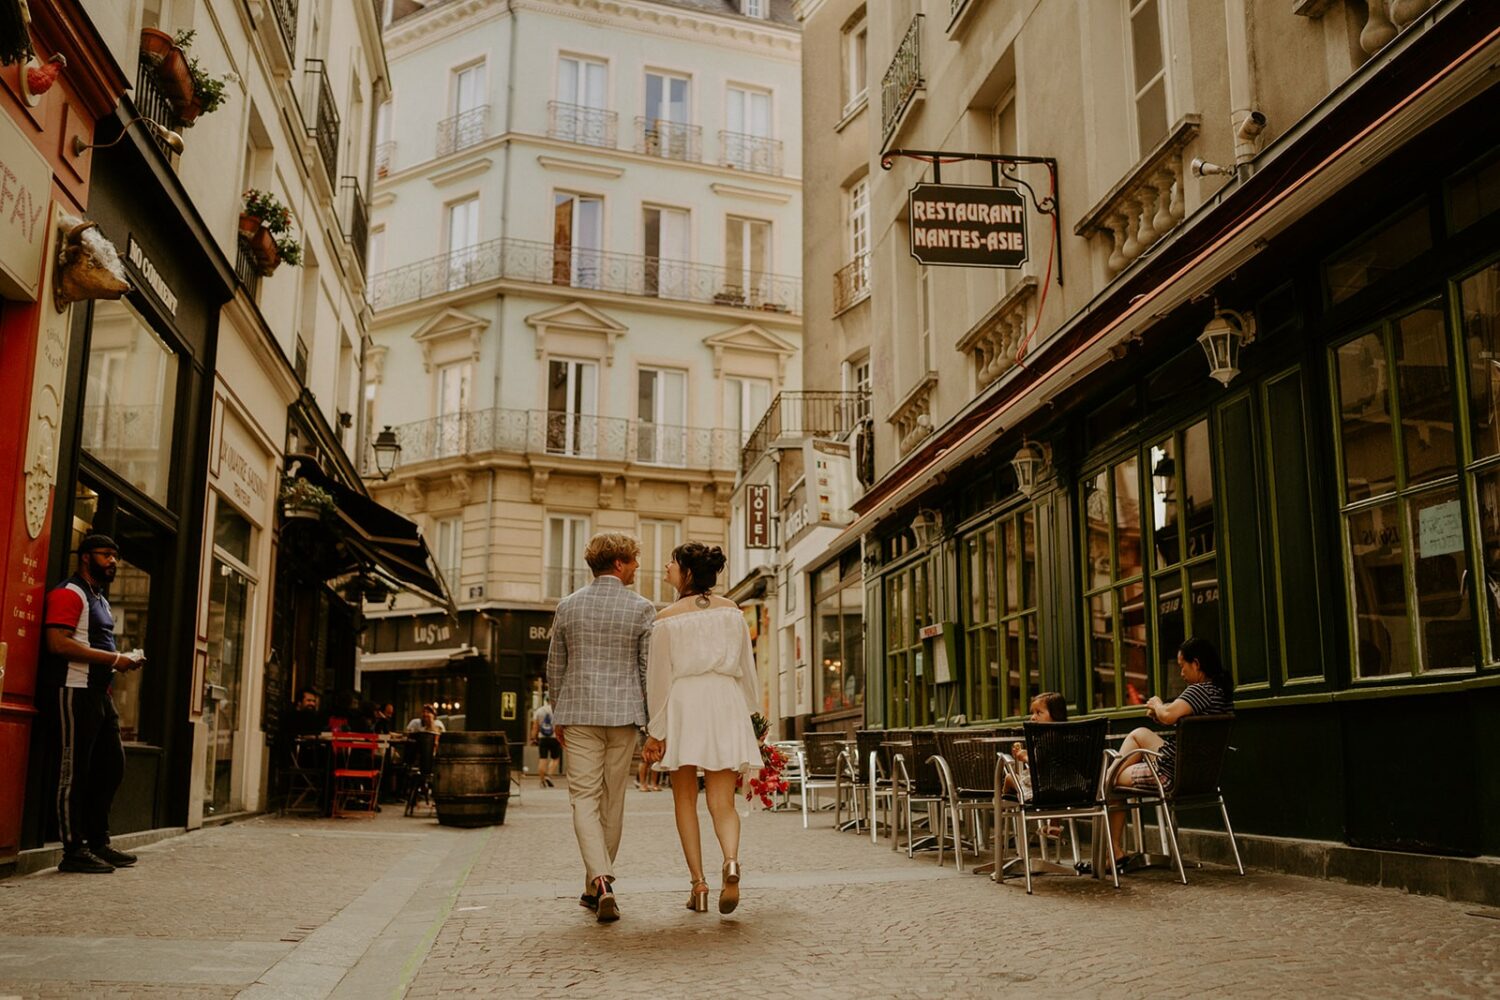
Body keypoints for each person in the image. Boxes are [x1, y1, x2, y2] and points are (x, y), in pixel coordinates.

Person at [641, 542, 761, 915]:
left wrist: (655, 730)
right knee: (722, 802)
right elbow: (747, 670)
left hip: (684, 704)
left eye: (672, 562)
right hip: (725, 702)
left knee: (684, 800)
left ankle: (699, 884)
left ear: (687, 572)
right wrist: (753, 720)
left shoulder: (666, 619)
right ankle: (731, 861)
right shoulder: (733, 613)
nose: (666, 567)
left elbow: (658, 681)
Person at [546, 532, 656, 924]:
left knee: (583, 800)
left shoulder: (567, 606)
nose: (638, 568)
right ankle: (600, 882)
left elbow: (555, 666)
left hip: (577, 714)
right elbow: (648, 671)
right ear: (620, 564)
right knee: (613, 800)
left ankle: (598, 884)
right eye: (635, 561)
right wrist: (651, 722)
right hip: (624, 716)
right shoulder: (643, 609)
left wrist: (558, 712)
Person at [43, 534, 146, 874]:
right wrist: (116, 658)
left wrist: (117, 664)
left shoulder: (98, 599)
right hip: (75, 690)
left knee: (111, 766)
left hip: (100, 695)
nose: (113, 561)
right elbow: (57, 644)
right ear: (85, 557)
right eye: (106, 555)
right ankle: (72, 850)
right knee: (74, 771)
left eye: (116, 555)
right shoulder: (69, 593)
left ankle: (98, 842)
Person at [1097, 636, 1234, 876]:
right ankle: (1105, 801)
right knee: (1139, 733)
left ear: (1197, 664)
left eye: (1183, 666)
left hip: (1168, 775)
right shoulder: (1221, 694)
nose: (1181, 672)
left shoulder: (1200, 690)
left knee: (1111, 781)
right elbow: (1170, 716)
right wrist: (1160, 713)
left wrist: (1158, 704)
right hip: (1200, 774)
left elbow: (1169, 715)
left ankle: (1112, 850)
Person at [1004, 691, 1069, 801]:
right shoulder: (1070, 737)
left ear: (1055, 714)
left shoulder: (1046, 738)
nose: (1033, 717)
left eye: (1038, 712)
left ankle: (1002, 808)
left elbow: (1037, 763)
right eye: (1032, 713)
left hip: (1043, 789)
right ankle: (1055, 819)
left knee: (1009, 777)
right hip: (1070, 789)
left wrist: (1024, 757)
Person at [530, 694, 559, 788]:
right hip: (554, 738)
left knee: (543, 759)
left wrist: (533, 738)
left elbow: (535, 726)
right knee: (555, 759)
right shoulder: (557, 711)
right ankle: (548, 775)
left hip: (542, 738)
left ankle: (542, 781)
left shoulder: (539, 710)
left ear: (546, 700)